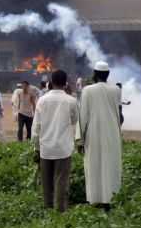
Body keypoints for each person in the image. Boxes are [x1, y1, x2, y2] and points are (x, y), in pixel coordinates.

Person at [76, 61, 122, 211]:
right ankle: (109, 201)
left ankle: (95, 201)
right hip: (112, 134)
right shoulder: (116, 90)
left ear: (94, 74)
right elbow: (119, 115)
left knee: (94, 165)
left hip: (93, 134)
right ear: (108, 74)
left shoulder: (88, 90)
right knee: (110, 165)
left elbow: (83, 116)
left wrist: (80, 140)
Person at [31, 70, 79, 212]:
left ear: (51, 83)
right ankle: (61, 210)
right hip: (63, 148)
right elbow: (75, 120)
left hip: (46, 148)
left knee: (47, 182)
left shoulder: (42, 100)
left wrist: (36, 147)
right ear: (66, 84)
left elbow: (36, 126)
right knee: (62, 182)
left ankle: (48, 209)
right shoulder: (71, 101)